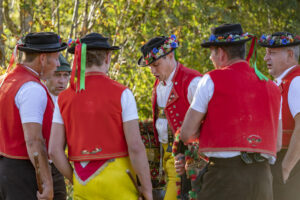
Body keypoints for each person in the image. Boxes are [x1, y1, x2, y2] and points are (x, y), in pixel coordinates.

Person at [180, 23, 281, 200]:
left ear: (221, 52)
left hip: (225, 177)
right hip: (263, 179)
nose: (211, 58)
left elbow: (186, 133)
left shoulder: (211, 79)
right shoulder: (272, 86)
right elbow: (277, 144)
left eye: (212, 53)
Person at [49, 33, 153, 200]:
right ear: (108, 57)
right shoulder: (122, 93)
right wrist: (147, 189)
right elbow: (135, 146)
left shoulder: (63, 98)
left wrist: (75, 178)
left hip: (83, 180)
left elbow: (54, 150)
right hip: (120, 179)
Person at [0, 32, 66, 200]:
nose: (58, 64)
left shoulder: (6, 80)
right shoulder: (32, 88)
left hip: (7, 170)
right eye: (56, 58)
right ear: (43, 59)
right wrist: (46, 182)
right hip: (26, 173)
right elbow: (34, 140)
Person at [138, 35, 202, 199]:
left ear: (170, 56)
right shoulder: (159, 84)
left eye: (156, 65)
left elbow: (208, 123)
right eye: (150, 67)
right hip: (163, 159)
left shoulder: (193, 82)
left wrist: (197, 161)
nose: (152, 71)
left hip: (185, 158)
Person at [259, 32, 300, 200]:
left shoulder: (296, 81)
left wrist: (285, 169)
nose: (265, 58)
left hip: (290, 163)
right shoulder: (282, 82)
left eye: (272, 53)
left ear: (290, 54)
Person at [45, 54, 71, 200]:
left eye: (65, 75)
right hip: (32, 166)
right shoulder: (38, 94)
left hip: (56, 166)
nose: (62, 80)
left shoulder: (68, 100)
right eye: (57, 75)